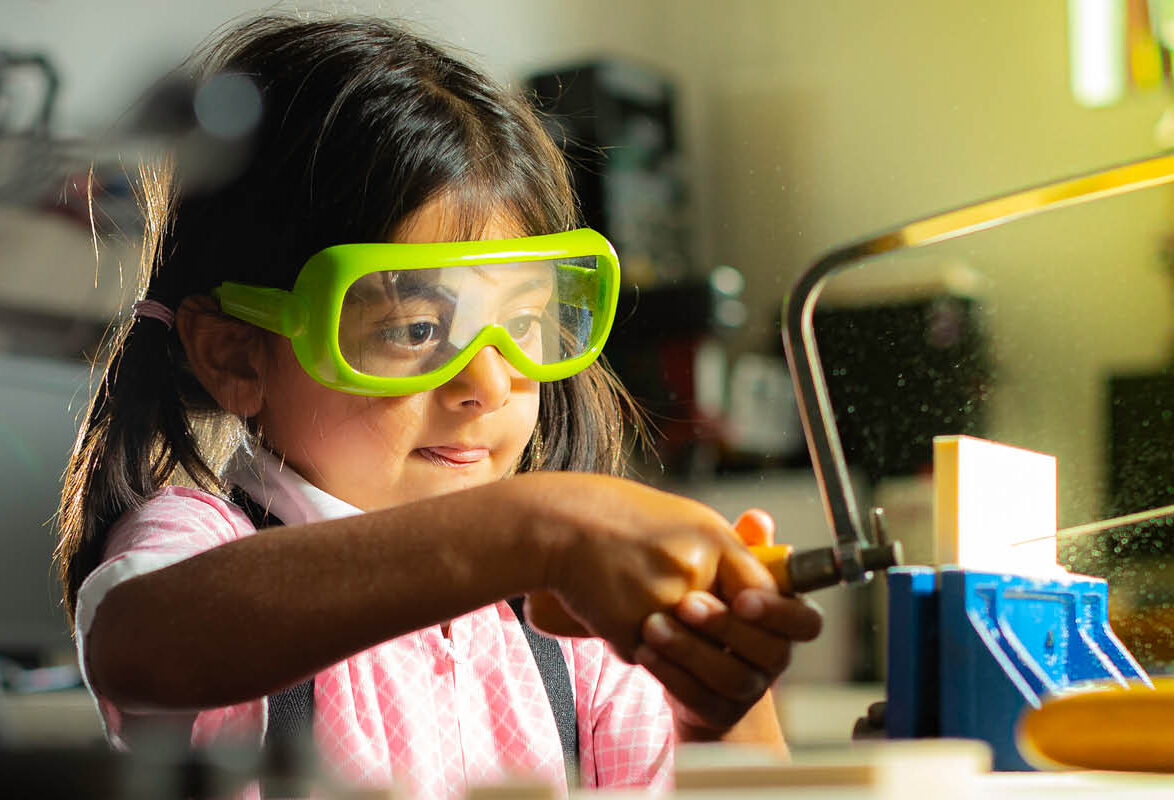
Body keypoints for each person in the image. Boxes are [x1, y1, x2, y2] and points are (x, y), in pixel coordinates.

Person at [53, 15, 822, 798]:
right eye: (418, 328)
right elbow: (138, 644)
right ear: (238, 355)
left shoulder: (571, 630)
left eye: (523, 324)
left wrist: (718, 699)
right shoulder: (203, 546)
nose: (488, 384)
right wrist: (540, 526)